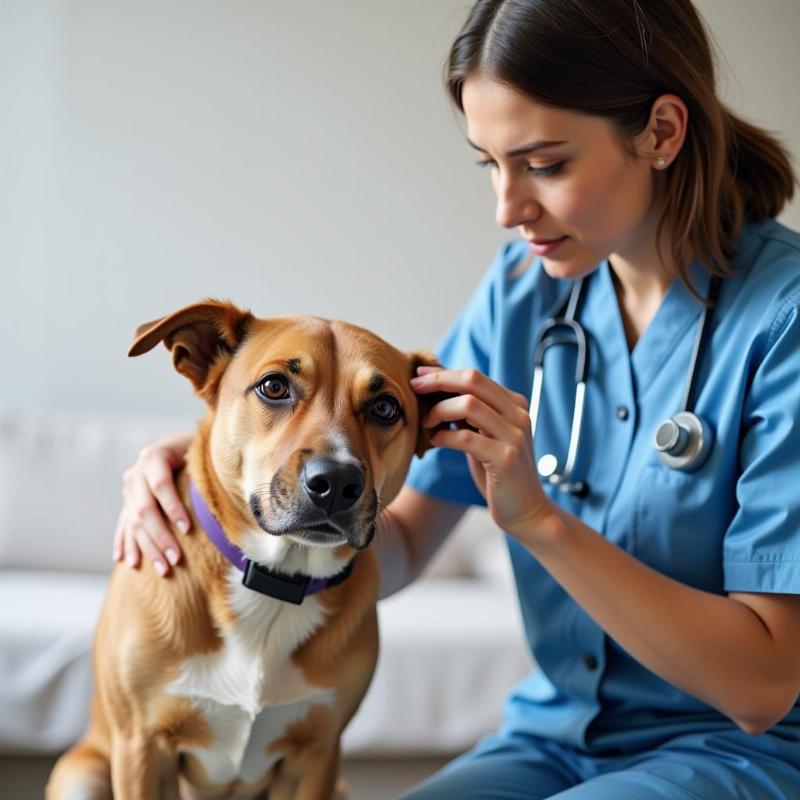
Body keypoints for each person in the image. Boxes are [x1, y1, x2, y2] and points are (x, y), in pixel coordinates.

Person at [114, 0, 800, 797]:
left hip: (735, 753)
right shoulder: (522, 294)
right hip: (551, 741)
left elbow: (762, 687)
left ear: (661, 133)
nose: (507, 211)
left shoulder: (781, 323)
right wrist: (205, 479)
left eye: (544, 164)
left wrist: (539, 522)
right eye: (490, 164)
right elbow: (392, 544)